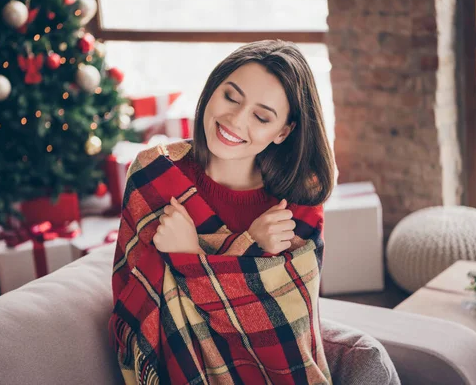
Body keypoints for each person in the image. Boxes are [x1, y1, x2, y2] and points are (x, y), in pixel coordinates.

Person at [110, 39, 336, 385]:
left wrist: (190, 256)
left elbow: (284, 331)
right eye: (231, 96)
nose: (234, 120)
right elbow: (136, 300)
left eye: (261, 117)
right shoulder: (153, 173)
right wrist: (248, 249)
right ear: (212, 89)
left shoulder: (299, 199)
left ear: (283, 132)